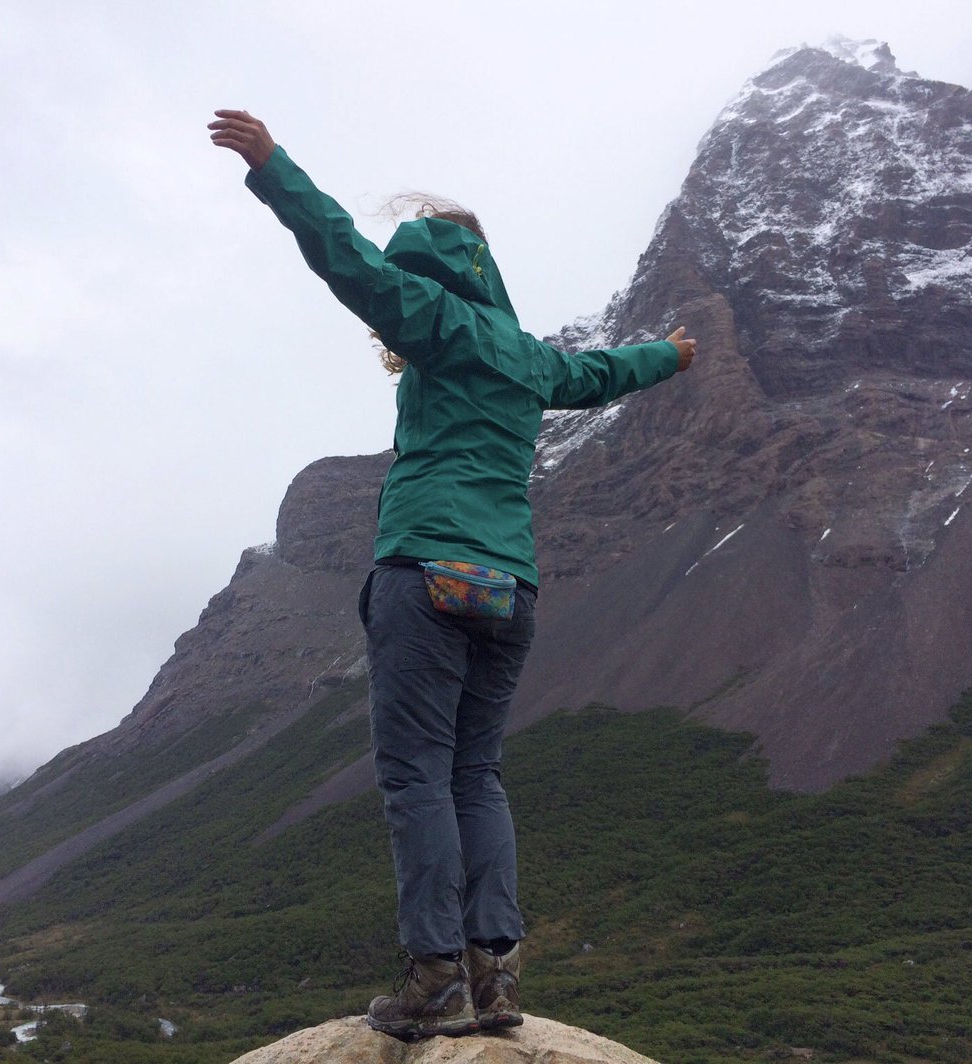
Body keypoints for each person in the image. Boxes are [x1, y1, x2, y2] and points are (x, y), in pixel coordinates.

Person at [208, 110, 698, 1040]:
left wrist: (275, 170)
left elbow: (345, 258)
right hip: (508, 589)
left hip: (426, 572)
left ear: (428, 275)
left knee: (416, 779)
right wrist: (671, 356)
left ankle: (432, 977)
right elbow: (605, 371)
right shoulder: (531, 358)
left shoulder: (431, 321)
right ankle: (497, 979)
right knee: (479, 773)